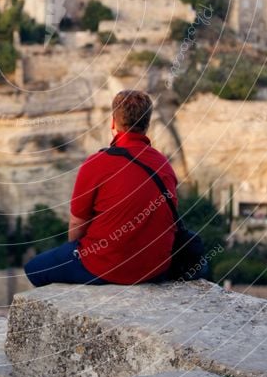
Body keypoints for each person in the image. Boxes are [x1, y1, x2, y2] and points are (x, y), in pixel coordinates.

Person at [24, 89, 206, 287]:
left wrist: (76, 250)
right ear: (146, 125)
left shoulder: (96, 164)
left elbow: (77, 224)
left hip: (107, 267)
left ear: (113, 122)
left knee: (34, 269)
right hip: (156, 269)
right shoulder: (163, 165)